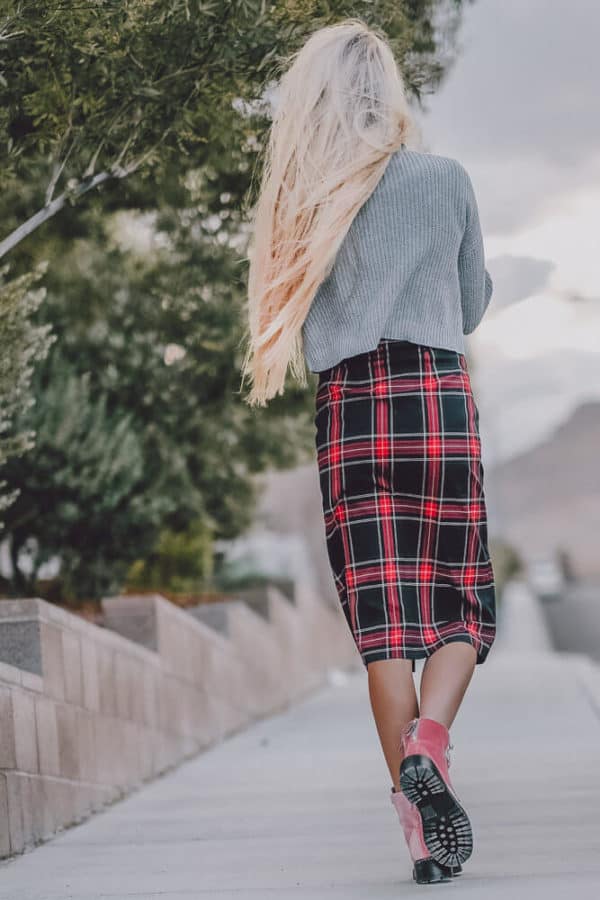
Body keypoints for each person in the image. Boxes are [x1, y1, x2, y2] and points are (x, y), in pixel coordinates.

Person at [240, 17, 496, 886]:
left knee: (384, 633)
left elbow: (297, 312)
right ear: (387, 92)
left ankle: (424, 845)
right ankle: (432, 741)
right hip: (436, 403)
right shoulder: (445, 179)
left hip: (351, 413)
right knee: (463, 607)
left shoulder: (303, 205)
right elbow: (469, 303)